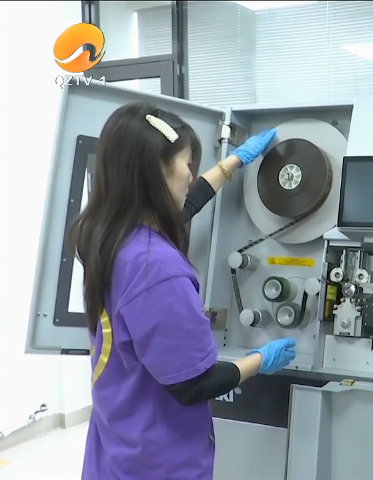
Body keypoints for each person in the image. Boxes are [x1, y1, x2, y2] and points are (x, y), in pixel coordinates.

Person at [68, 101, 296, 480]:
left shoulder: (102, 235)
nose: (191, 175)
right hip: (160, 463)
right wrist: (261, 359)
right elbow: (193, 384)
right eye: (188, 164)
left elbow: (181, 208)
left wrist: (233, 162)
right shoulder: (157, 269)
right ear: (156, 170)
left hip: (118, 444)